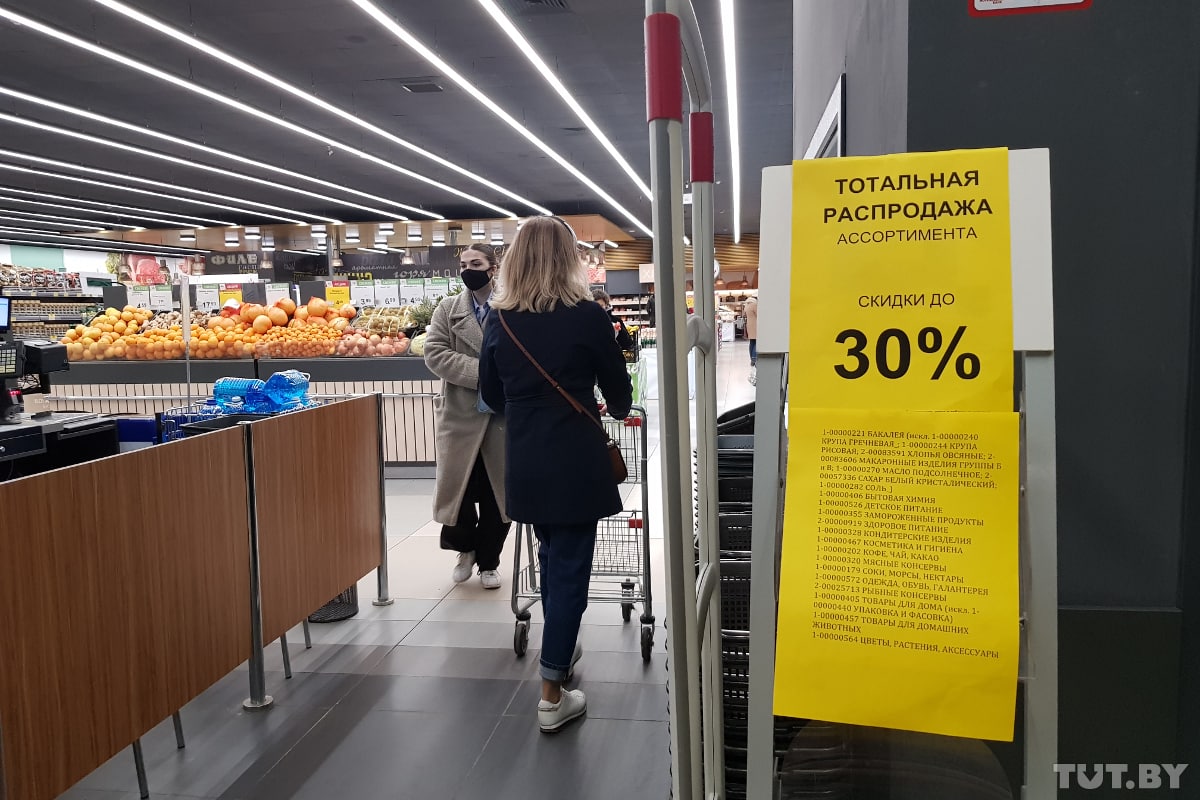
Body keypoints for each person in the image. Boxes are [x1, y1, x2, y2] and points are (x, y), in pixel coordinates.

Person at [480, 217, 633, 733]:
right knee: (569, 570)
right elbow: (618, 391)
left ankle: (560, 649)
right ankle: (551, 694)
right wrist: (613, 405)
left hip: (525, 459)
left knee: (551, 557)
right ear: (568, 259)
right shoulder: (587, 316)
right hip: (575, 460)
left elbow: (491, 395)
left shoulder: (499, 319)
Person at [424, 243, 510, 590]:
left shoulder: (511, 306)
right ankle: (465, 550)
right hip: (459, 415)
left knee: (497, 496)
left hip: (501, 419)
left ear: (493, 268)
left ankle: (489, 562)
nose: (468, 270)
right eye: (463, 264)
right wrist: (485, 373)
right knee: (457, 492)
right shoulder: (448, 309)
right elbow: (434, 353)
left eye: (476, 264)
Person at [745, 294, 759, 385]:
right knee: (756, 342)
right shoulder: (754, 305)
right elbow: (759, 315)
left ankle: (752, 358)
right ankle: (754, 359)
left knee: (752, 342)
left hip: (749, 325)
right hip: (755, 326)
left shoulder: (747, 305)